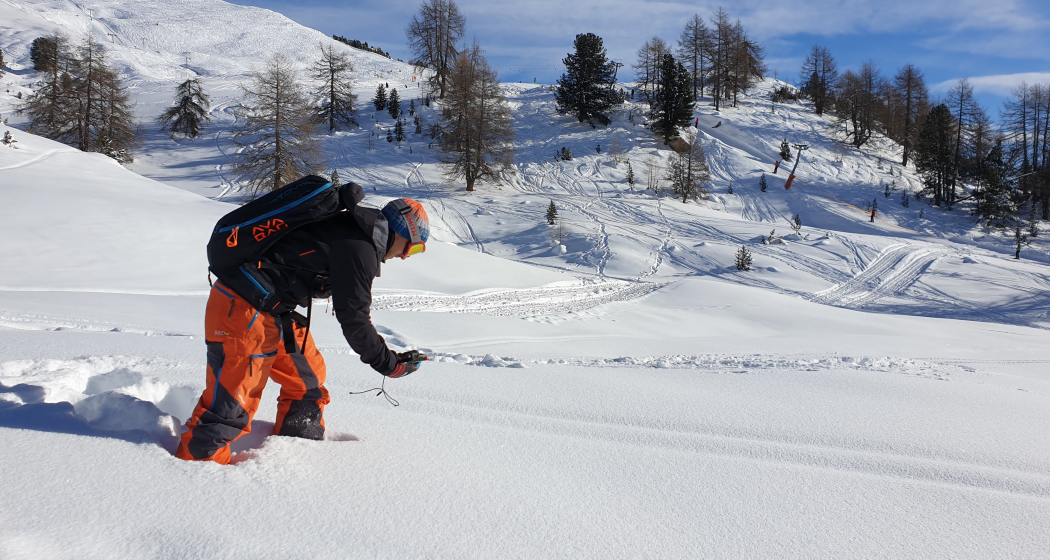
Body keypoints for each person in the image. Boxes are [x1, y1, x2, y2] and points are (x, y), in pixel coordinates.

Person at [175, 187, 430, 464]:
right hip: (243, 311)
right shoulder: (359, 247)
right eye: (414, 248)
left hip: (272, 309)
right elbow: (354, 318)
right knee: (232, 406)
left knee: (307, 380)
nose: (406, 256)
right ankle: (197, 477)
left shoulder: (355, 230)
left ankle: (298, 451)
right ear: (402, 233)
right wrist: (388, 364)